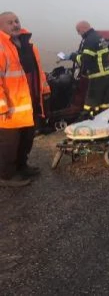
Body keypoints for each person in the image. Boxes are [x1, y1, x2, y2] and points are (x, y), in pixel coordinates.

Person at [0, 12, 50, 187]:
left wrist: (44, 91)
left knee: (27, 138)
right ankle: (6, 175)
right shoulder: (1, 46)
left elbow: (38, 71)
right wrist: (2, 106)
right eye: (9, 22)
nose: (15, 24)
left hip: (30, 102)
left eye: (17, 21)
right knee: (9, 144)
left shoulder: (28, 45)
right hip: (11, 107)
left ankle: (22, 166)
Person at [68, 21, 109, 117]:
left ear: (84, 29)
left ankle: (89, 119)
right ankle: (104, 118)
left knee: (91, 102)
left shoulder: (89, 40)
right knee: (104, 102)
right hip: (108, 73)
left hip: (98, 75)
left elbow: (86, 60)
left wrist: (73, 56)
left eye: (78, 31)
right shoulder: (98, 37)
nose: (78, 33)